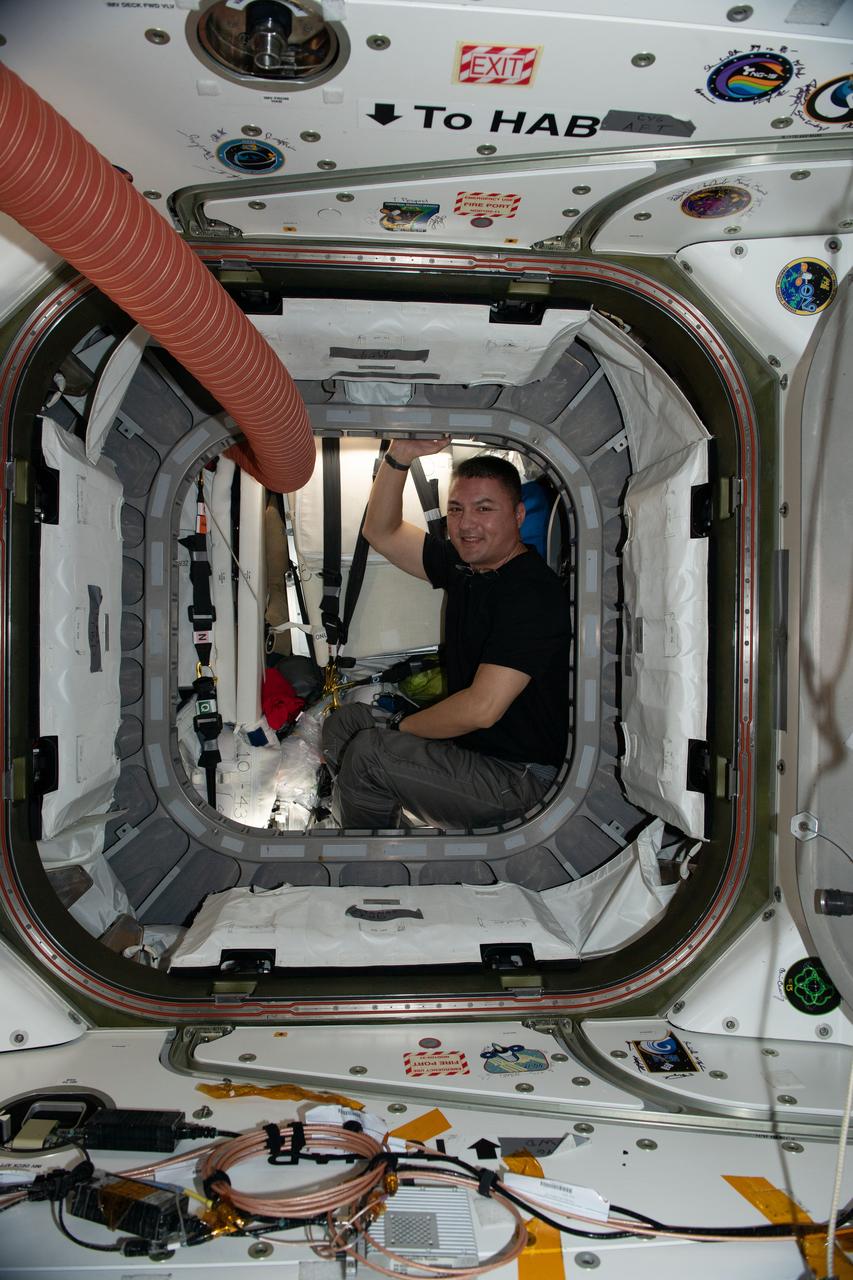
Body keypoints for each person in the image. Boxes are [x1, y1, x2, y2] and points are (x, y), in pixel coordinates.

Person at [321, 439, 572, 829]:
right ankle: (385, 828)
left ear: (518, 515)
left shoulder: (531, 593)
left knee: (369, 753)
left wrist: (397, 727)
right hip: (474, 751)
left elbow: (481, 709)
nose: (466, 523)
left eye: (484, 509)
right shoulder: (465, 567)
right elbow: (381, 531)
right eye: (456, 509)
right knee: (346, 724)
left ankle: (371, 869)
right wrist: (399, 457)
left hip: (521, 778)